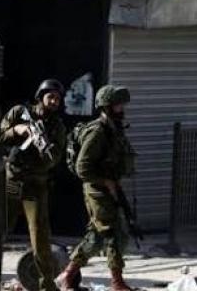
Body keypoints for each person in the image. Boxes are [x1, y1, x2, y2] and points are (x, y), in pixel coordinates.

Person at [56, 85, 137, 291]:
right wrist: (105, 182)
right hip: (97, 190)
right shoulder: (98, 132)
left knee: (96, 236)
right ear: (107, 107)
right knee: (112, 232)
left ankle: (68, 274)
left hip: (109, 187)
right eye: (118, 105)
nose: (122, 109)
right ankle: (117, 282)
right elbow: (82, 167)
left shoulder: (113, 129)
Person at [0, 79, 67, 291]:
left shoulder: (57, 127)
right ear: (40, 96)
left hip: (36, 184)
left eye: (57, 99)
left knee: (40, 234)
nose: (53, 102)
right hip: (13, 180)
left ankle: (46, 284)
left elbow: (54, 158)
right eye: (50, 97)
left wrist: (41, 146)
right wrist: (17, 130)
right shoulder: (19, 112)